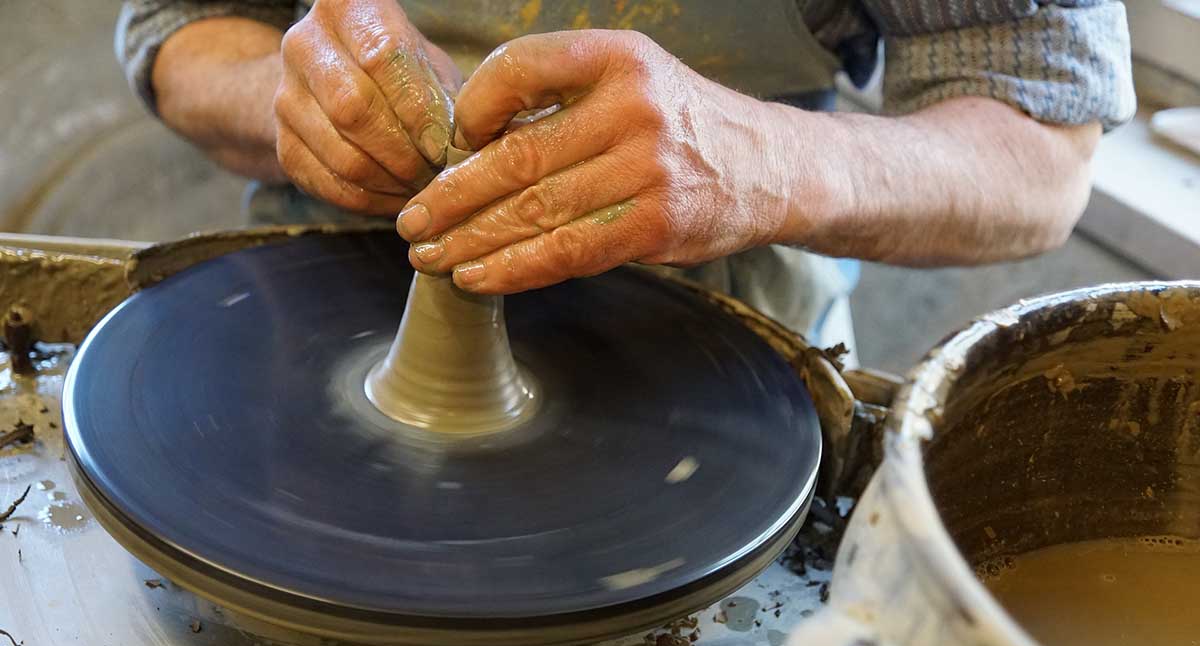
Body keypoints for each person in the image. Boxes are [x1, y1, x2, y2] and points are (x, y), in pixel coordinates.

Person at [115, 0, 1133, 359]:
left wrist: (758, 162)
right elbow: (179, 29)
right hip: (318, 307)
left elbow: (1045, 148)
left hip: (721, 358)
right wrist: (286, 99)